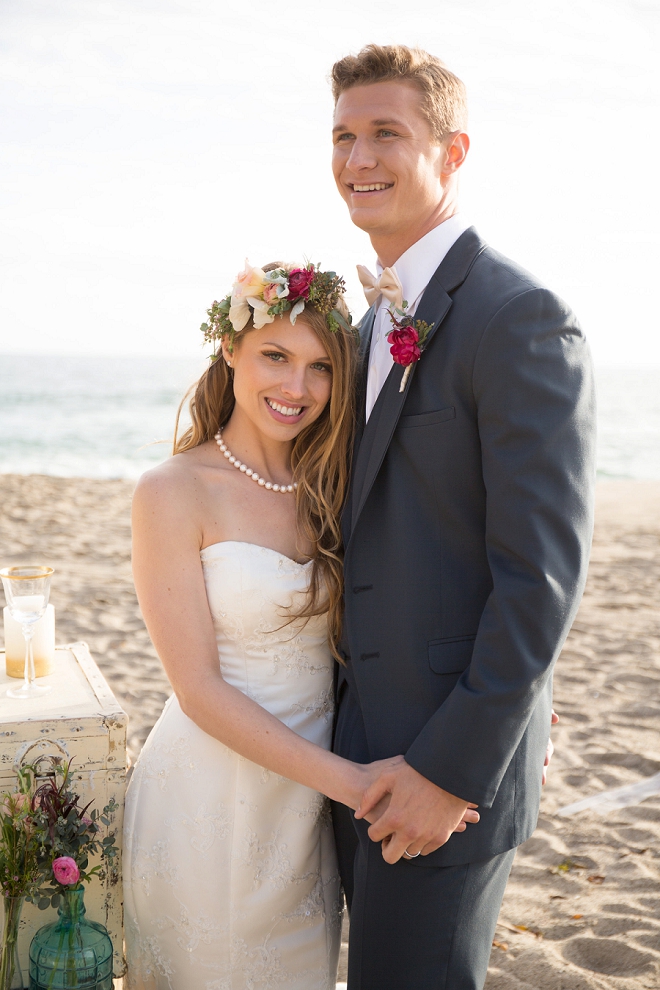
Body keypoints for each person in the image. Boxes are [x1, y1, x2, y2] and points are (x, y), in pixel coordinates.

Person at [122, 259, 478, 990]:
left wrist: (507, 692)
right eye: (275, 357)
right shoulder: (171, 491)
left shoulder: (335, 481)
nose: (296, 388)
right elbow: (196, 690)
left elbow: (420, 589)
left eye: (320, 367)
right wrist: (355, 785)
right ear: (230, 351)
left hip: (306, 812)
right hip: (213, 802)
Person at [329, 45, 596, 989]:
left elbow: (541, 580)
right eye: (345, 136)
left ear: (454, 149)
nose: (359, 158)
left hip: (444, 774)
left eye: (387, 134)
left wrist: (451, 772)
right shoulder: (363, 329)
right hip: (351, 751)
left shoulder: (518, 315)